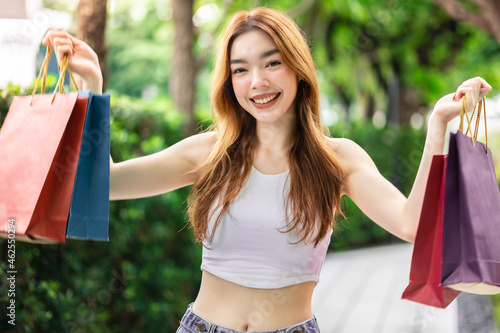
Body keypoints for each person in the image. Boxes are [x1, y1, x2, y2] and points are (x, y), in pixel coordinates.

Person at [42, 7, 492, 333]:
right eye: (241, 70)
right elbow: (102, 185)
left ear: (298, 70)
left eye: (272, 63)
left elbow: (412, 223)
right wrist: (92, 88)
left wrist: (438, 127)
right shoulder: (210, 152)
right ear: (229, 81)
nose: (256, 82)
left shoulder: (339, 159)